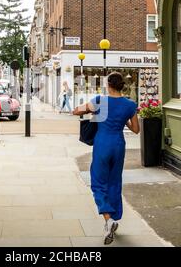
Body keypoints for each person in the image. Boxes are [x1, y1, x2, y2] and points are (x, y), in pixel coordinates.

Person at [73, 72, 140, 245]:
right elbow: (136, 130)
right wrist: (123, 120)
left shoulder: (100, 101)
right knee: (114, 181)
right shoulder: (130, 105)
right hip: (118, 145)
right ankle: (114, 216)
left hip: (102, 144)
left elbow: (76, 111)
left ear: (108, 84)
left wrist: (92, 112)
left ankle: (109, 220)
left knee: (97, 183)